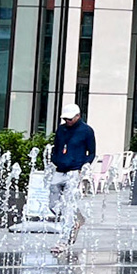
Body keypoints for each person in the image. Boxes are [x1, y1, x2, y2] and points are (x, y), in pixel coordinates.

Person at [48, 103, 96, 254]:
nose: (67, 121)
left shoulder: (86, 131)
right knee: (53, 204)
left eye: (70, 119)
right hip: (60, 169)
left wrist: (83, 166)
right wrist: (55, 159)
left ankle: (64, 241)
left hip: (74, 171)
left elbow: (92, 152)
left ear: (78, 116)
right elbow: (56, 147)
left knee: (68, 205)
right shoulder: (61, 129)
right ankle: (77, 218)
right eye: (65, 119)